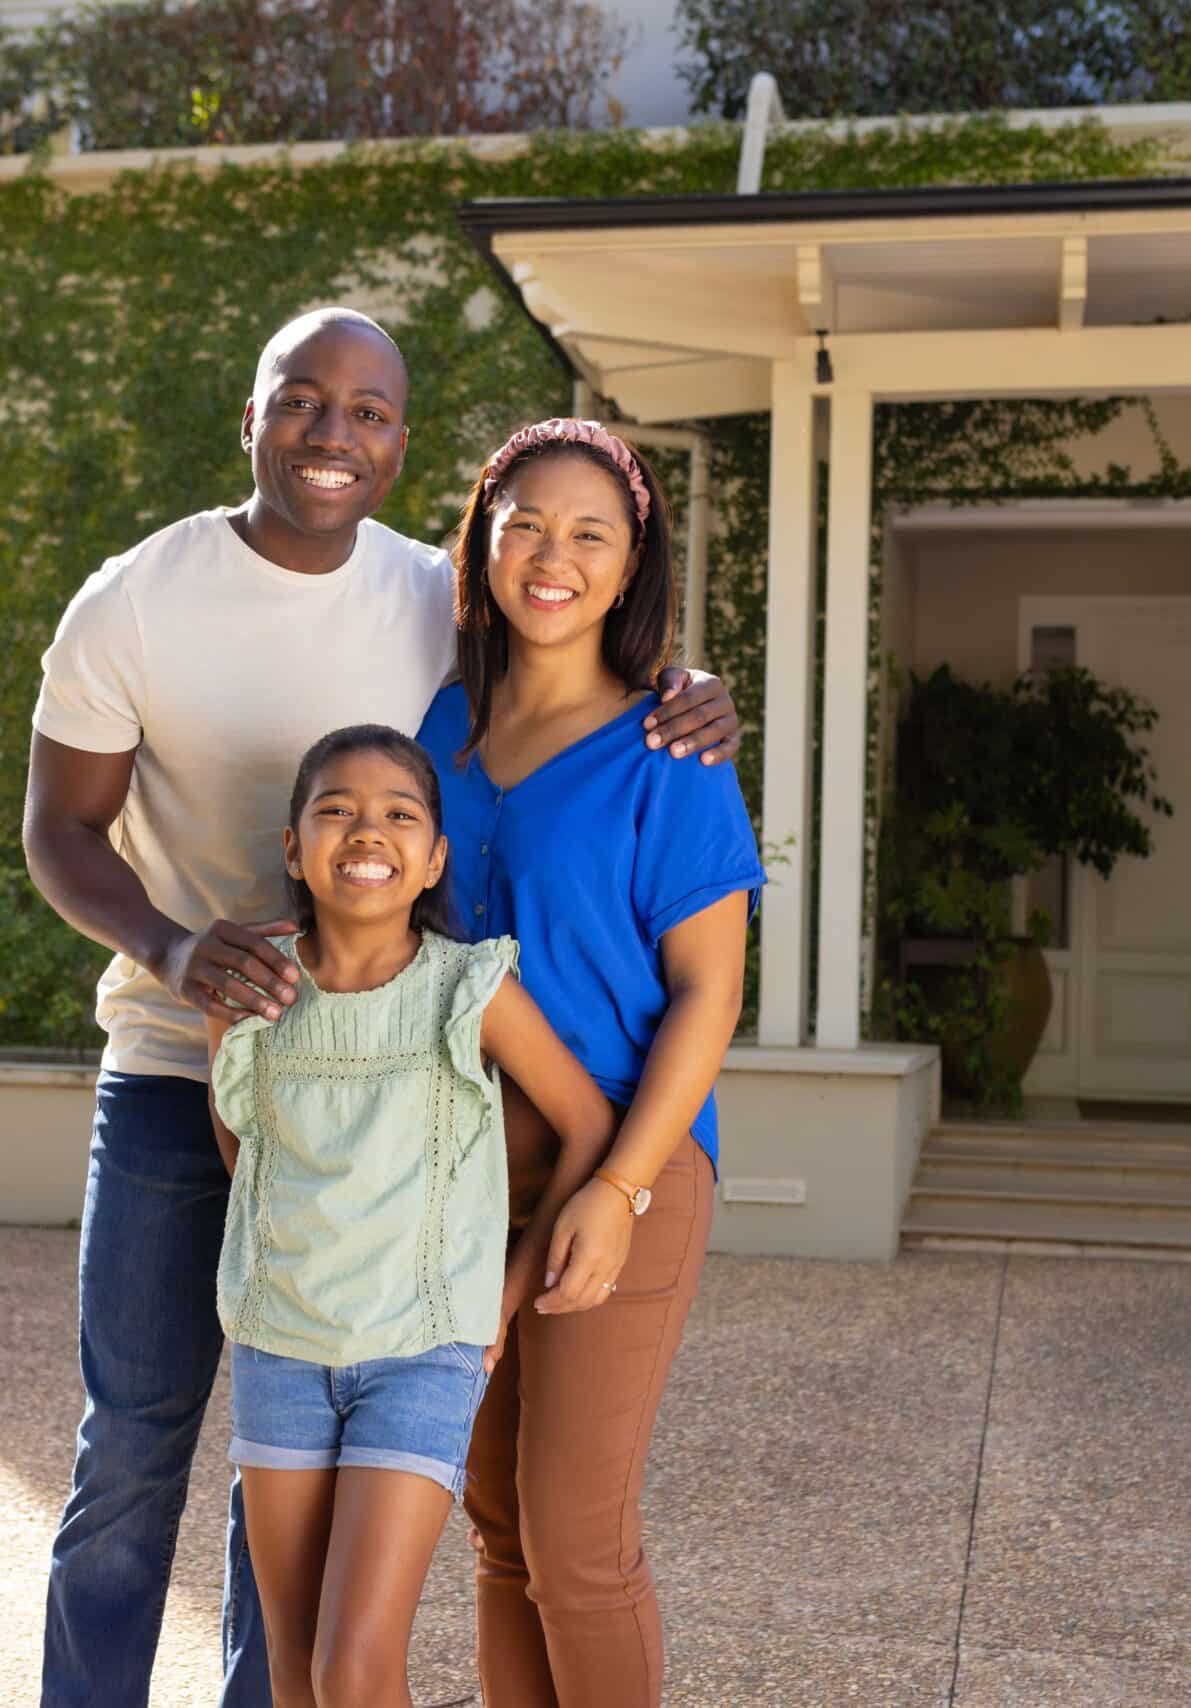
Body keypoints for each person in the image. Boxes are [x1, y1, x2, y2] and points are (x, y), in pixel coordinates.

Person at [21, 308, 741, 1708]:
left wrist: (690, 686)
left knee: (499, 1519)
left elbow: (704, 961)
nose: (335, 434)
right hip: (277, 1100)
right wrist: (177, 957)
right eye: (304, 400)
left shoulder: (520, 652)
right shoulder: (174, 609)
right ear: (252, 415)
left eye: (370, 412)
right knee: (173, 1456)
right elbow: (60, 832)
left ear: (404, 444)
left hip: (506, 1131)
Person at [416, 419, 765, 1706]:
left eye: (588, 534)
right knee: (499, 1526)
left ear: (630, 568)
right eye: (525, 526)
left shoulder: (672, 752)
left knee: (575, 1538)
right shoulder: (442, 723)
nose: (551, 557)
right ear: (484, 547)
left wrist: (617, 1192)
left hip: (626, 1160)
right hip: (462, 1166)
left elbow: (708, 992)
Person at [205, 724, 622, 1708]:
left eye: (399, 812)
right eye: (335, 809)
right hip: (279, 1342)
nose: (366, 829)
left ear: (434, 855)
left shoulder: (467, 989)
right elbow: (242, 1147)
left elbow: (587, 1123)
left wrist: (507, 1297)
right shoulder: (247, 990)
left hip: (422, 1349)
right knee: (296, 1668)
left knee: (354, 1668)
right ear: (292, 846)